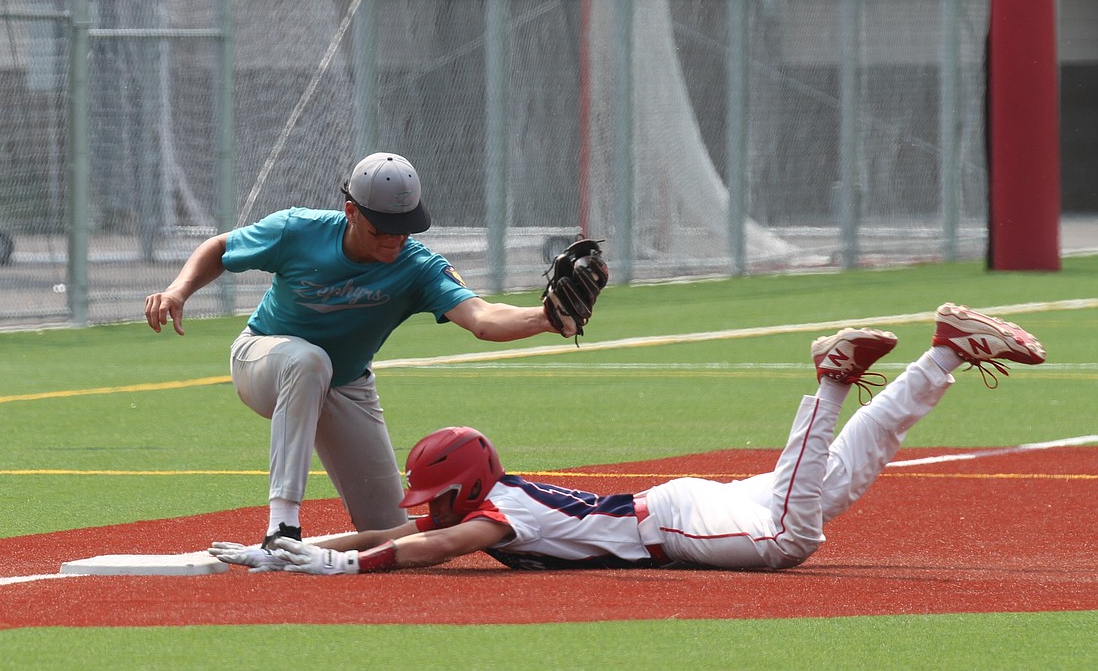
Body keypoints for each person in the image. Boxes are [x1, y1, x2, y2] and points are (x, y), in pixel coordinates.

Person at [209, 302, 1046, 573]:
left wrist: (335, 566)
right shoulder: (493, 496)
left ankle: (830, 378)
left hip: (672, 523)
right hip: (680, 504)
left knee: (794, 538)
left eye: (440, 494)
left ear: (467, 483)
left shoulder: (498, 516)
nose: (433, 509)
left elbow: (430, 548)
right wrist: (290, 543)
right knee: (837, 478)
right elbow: (401, 530)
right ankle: (943, 354)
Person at [146, 152, 590, 548]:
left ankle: (308, 552)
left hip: (347, 386)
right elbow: (221, 247)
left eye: (405, 229)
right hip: (263, 361)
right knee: (307, 359)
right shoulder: (298, 230)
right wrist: (179, 290)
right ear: (352, 212)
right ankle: (282, 525)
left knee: (385, 528)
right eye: (384, 230)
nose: (395, 241)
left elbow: (480, 318)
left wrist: (545, 319)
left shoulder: (416, 266)